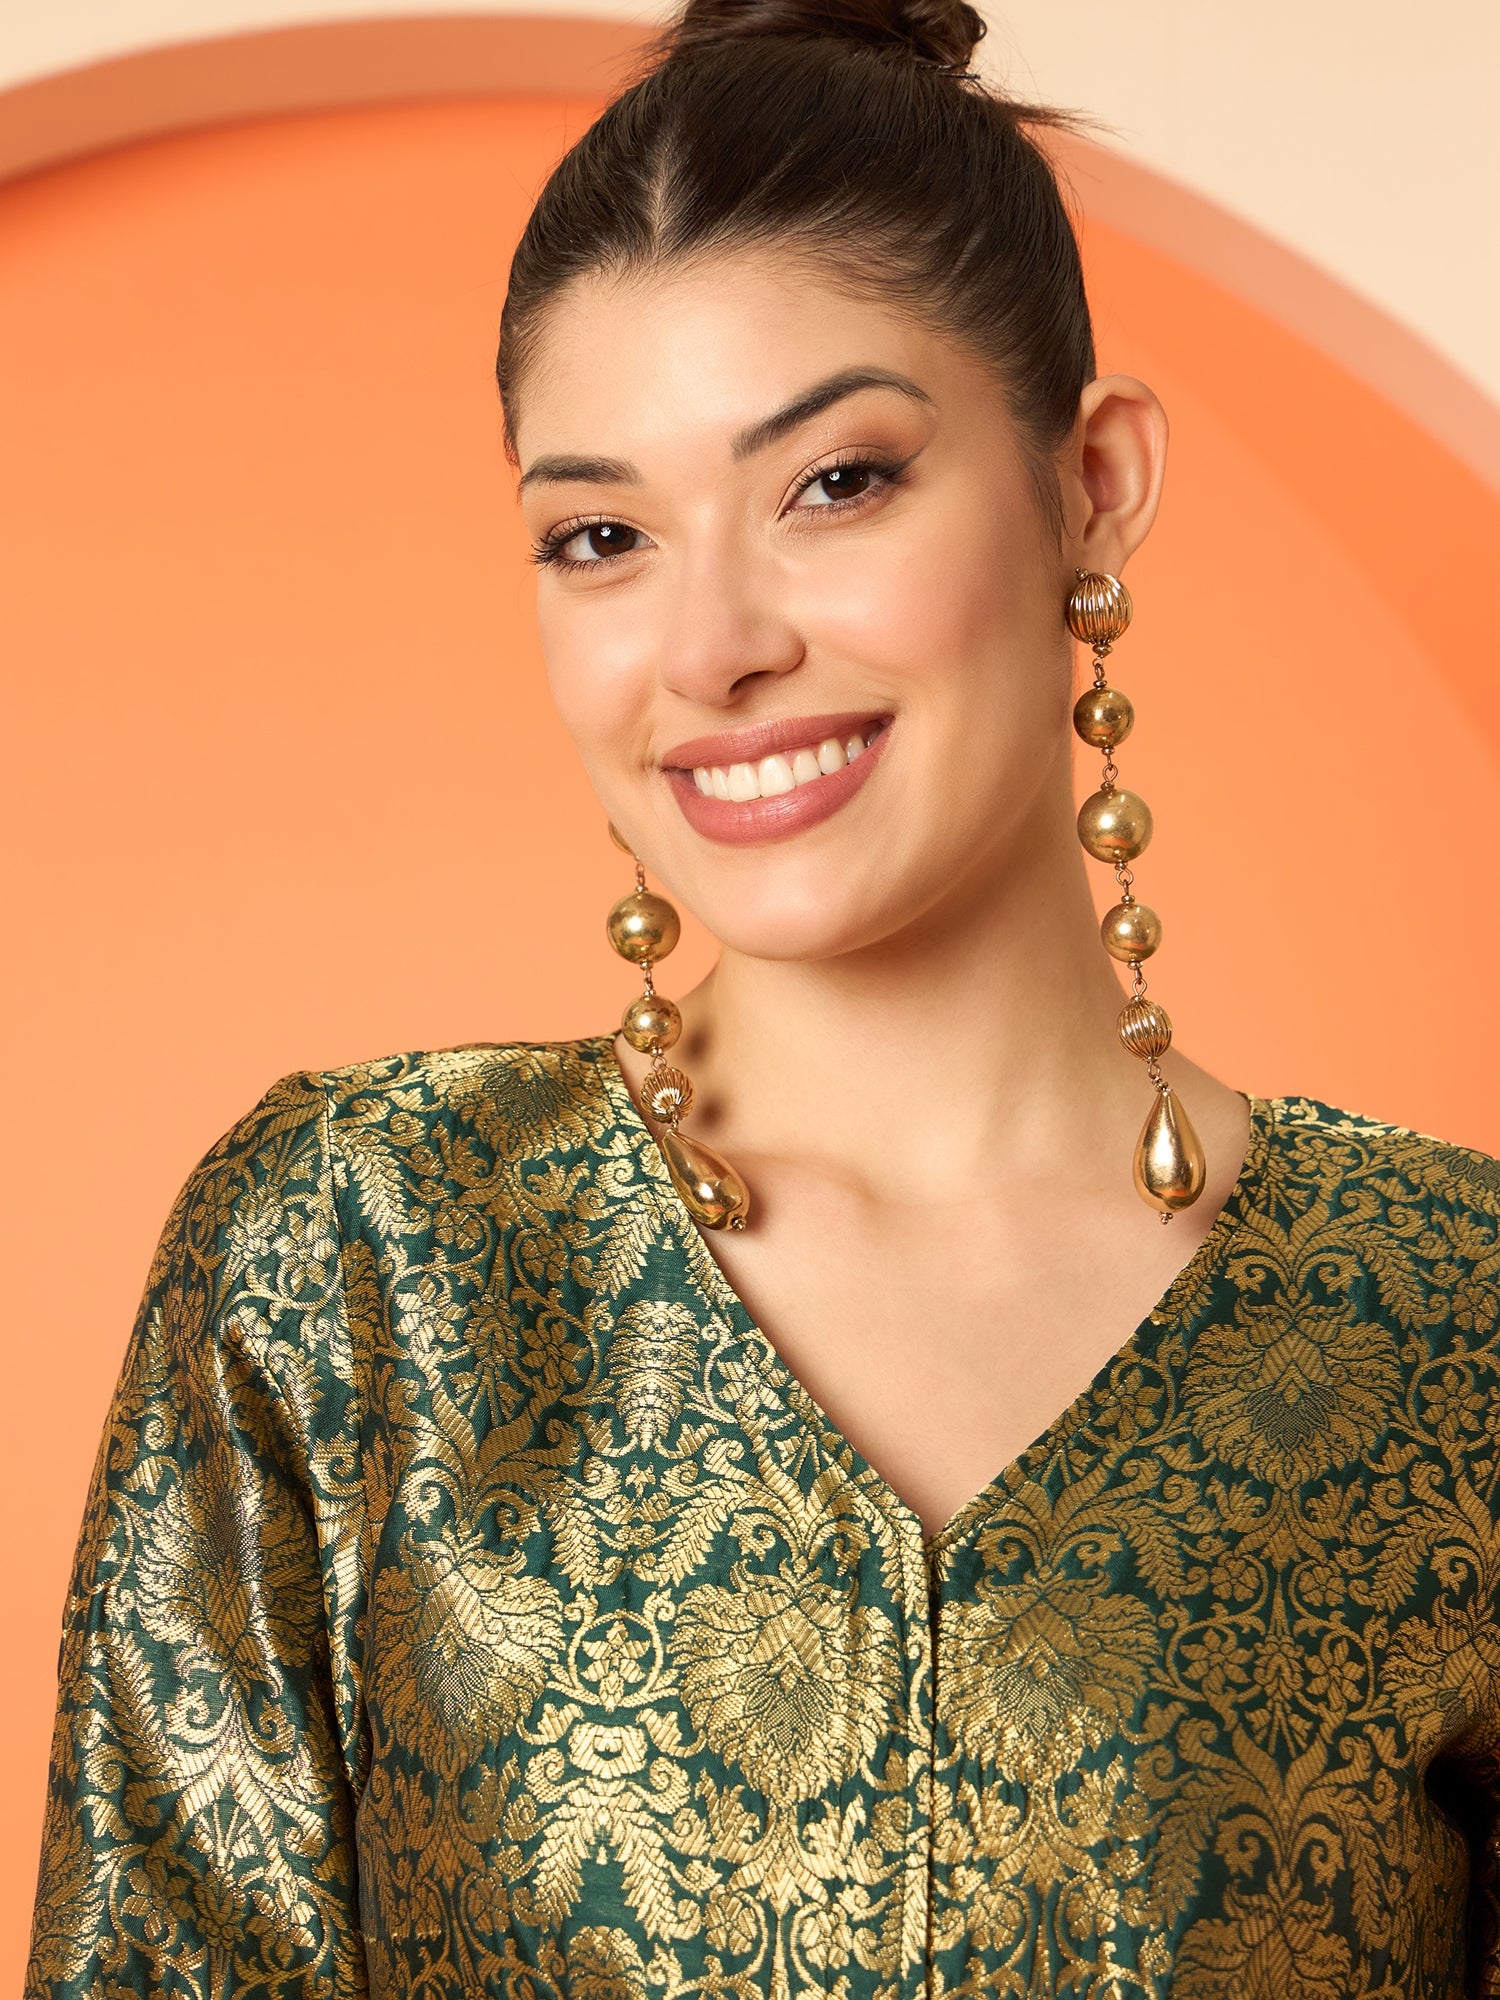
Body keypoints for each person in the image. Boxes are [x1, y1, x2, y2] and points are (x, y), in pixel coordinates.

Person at [26, 0, 1500, 1990]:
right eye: (602, 536)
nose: (708, 645)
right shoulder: (359, 1257)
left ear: (1092, 483)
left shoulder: (1452, 1325)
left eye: (836, 482)